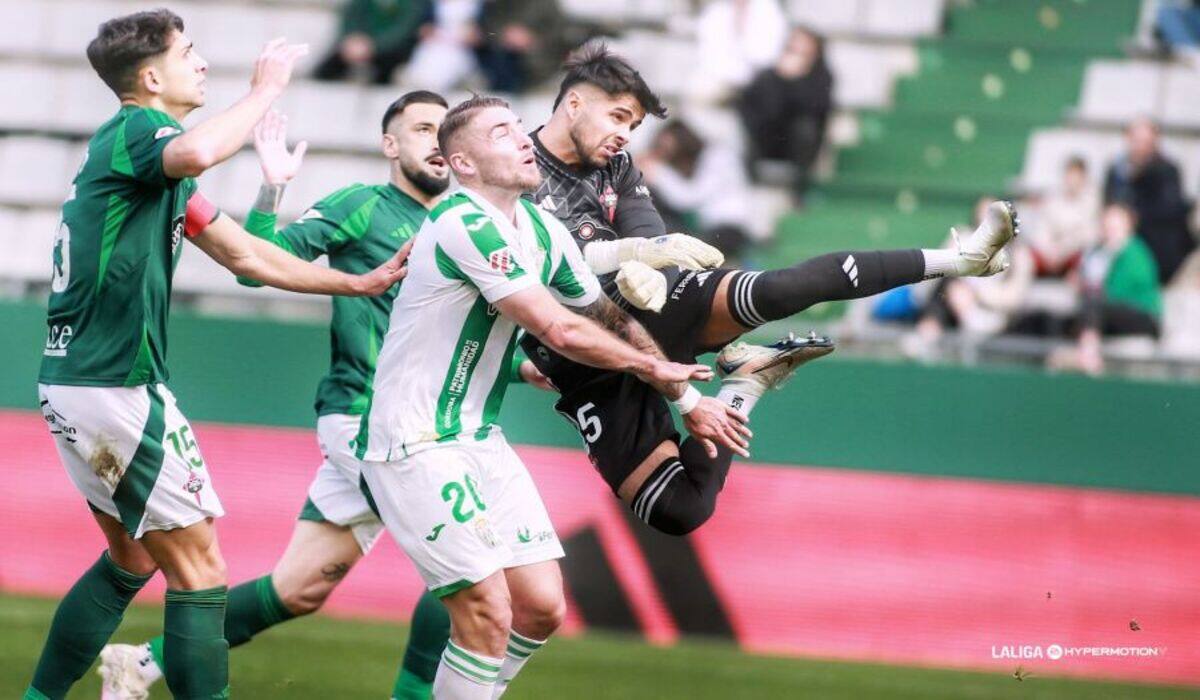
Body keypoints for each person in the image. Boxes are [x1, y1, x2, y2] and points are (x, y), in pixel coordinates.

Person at [396, 42, 1020, 700]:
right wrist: (631, 271)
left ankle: (959, 260)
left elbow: (654, 244)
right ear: (572, 102)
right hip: (585, 356)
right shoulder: (515, 172)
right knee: (676, 509)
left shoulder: (617, 167)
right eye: (617, 116)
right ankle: (748, 382)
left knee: (777, 290)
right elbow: (566, 278)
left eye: (633, 125)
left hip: (648, 317)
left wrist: (651, 259)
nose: (622, 135)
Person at [28, 10, 411, 700]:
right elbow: (198, 152)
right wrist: (266, 90)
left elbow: (246, 254)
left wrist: (357, 280)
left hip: (74, 381)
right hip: (118, 383)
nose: (201, 64)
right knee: (200, 570)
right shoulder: (140, 130)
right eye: (189, 53)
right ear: (151, 78)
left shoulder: (145, 167)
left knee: (131, 558)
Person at [356, 94, 740, 699]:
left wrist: (684, 397)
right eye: (502, 132)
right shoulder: (463, 222)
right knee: (486, 614)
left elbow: (605, 316)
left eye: (520, 127)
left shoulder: (539, 226)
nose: (523, 139)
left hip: (477, 439)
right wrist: (650, 365)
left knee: (539, 609)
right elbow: (557, 328)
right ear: (463, 163)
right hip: (415, 441)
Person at [96, 91, 454, 700]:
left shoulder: (462, 225)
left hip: (426, 425)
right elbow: (257, 261)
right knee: (470, 563)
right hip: (370, 420)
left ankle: (141, 664)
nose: (438, 142)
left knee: (300, 589)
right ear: (390, 145)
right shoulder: (364, 206)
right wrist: (272, 187)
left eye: (447, 131)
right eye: (422, 129)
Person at [1052, 203, 1162, 375]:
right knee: (1052, 319)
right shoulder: (1096, 252)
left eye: (1115, 225)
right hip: (1101, 314)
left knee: (1093, 303)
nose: (1110, 230)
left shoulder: (1135, 252)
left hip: (1141, 315)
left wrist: (1087, 287)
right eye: (1107, 224)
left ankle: (1089, 358)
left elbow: (1116, 293)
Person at [738, 25, 834, 198]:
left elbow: (817, 111)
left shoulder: (821, 77)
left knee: (806, 130)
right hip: (767, 138)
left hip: (798, 145)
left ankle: (799, 191)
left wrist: (796, 80)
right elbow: (761, 111)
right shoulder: (768, 76)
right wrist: (782, 79)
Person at [639, 119, 756, 260]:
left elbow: (689, 198)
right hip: (712, 228)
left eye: (669, 148)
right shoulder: (705, 159)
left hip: (730, 228)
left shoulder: (718, 156)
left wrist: (657, 173)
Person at [1103, 117, 1195, 284]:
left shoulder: (1167, 170)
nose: (1140, 146)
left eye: (1145, 141)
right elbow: (1108, 203)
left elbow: (1169, 211)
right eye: (1136, 140)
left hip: (1155, 246)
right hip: (1120, 236)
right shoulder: (1116, 169)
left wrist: (1131, 217)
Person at [690, 0, 788, 103]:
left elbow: (768, 55)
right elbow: (709, 52)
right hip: (721, 78)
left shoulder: (769, 11)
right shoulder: (716, 12)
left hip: (758, 80)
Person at [313, 0, 432, 85]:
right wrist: (352, 40)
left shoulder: (415, 3)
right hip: (358, 46)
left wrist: (373, 46)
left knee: (384, 73)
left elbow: (404, 30)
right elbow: (350, 18)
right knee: (325, 70)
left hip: (392, 51)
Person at [474, 0, 573, 93]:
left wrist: (532, 40)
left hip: (535, 75)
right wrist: (502, 36)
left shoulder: (545, 4)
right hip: (496, 73)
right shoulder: (493, 5)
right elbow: (485, 30)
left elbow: (560, 34)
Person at [1028, 156, 1100, 276]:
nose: (1072, 180)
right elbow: (1041, 229)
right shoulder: (1053, 200)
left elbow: (1088, 235)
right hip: (1049, 254)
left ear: (1084, 178)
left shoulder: (1092, 202)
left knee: (1088, 257)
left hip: (1074, 254)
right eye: (1069, 175)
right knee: (1024, 257)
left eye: (1076, 176)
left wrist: (1062, 251)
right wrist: (1048, 250)